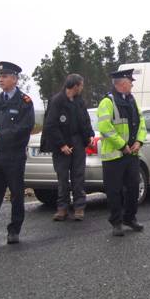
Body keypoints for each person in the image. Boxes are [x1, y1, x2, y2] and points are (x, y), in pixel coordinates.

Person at [0, 61, 35, 245]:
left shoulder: (24, 102)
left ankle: (14, 230)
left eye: (5, 76)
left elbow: (25, 127)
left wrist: (1, 135)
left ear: (14, 79)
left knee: (16, 194)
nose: (1, 79)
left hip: (14, 156)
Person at [97, 69, 147, 236]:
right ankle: (116, 222)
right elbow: (105, 128)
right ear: (121, 83)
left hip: (131, 154)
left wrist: (139, 141)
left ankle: (130, 218)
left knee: (133, 188)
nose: (132, 84)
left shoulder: (132, 100)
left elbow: (142, 124)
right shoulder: (107, 102)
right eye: (130, 81)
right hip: (114, 156)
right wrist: (122, 145)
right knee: (114, 191)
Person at [41, 74, 94, 221]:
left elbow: (85, 120)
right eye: (81, 85)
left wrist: (89, 135)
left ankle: (79, 208)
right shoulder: (57, 101)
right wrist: (61, 145)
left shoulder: (79, 101)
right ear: (75, 86)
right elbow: (50, 125)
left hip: (77, 141)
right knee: (63, 178)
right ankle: (62, 208)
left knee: (78, 176)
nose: (82, 88)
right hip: (62, 143)